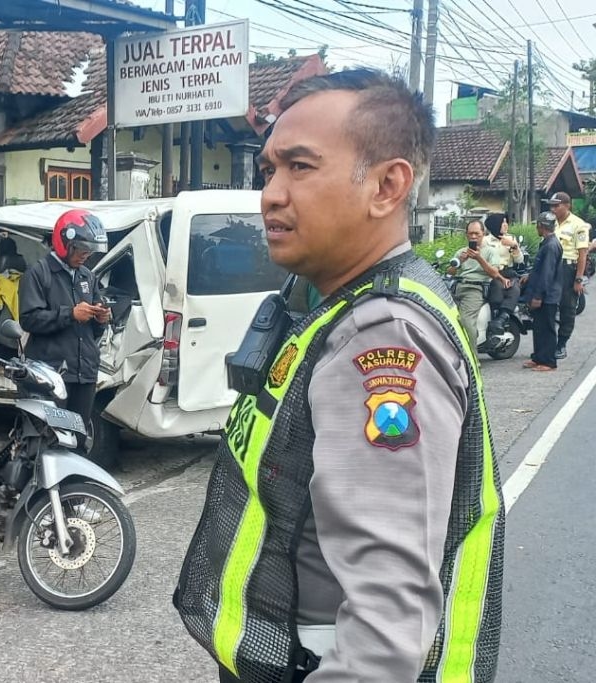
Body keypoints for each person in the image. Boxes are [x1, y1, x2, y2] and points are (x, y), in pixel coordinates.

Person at [174, 69, 503, 683]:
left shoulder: (383, 338)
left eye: (300, 167)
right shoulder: (338, 304)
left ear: (386, 186)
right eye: (269, 169)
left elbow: (386, 620)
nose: (270, 194)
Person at [18, 209, 110, 442]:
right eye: (81, 249)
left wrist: (101, 319)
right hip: (54, 376)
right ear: (65, 243)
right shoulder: (38, 273)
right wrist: (70, 314)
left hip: (84, 374)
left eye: (89, 251)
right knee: (54, 440)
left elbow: (93, 330)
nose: (86, 255)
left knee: (77, 441)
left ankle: (74, 480)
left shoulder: (87, 277)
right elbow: (29, 319)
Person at [448, 219, 508, 349]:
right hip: (458, 287)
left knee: (466, 320)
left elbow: (494, 273)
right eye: (470, 234)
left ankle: (473, 358)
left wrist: (479, 258)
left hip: (476, 288)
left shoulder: (491, 252)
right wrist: (460, 260)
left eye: (477, 233)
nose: (473, 237)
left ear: (483, 233)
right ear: (466, 235)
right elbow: (450, 272)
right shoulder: (461, 252)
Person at [543, 191, 589, 359]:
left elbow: (582, 254)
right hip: (550, 267)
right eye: (551, 205)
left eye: (557, 205)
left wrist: (578, 278)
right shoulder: (549, 222)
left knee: (567, 308)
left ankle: (561, 344)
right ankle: (548, 343)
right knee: (546, 306)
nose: (553, 208)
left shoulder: (578, 225)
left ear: (567, 205)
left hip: (567, 269)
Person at [522, 212, 563, 371]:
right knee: (539, 327)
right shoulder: (546, 243)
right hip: (543, 293)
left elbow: (547, 273)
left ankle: (549, 361)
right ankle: (538, 357)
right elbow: (539, 269)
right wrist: (529, 276)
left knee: (547, 328)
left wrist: (538, 296)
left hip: (548, 295)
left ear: (541, 226)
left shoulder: (551, 246)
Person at [482, 212, 523, 340]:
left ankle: (502, 317)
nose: (506, 225)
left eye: (506, 222)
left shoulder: (511, 238)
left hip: (508, 272)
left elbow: (519, 261)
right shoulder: (485, 240)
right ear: (495, 225)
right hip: (493, 272)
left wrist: (514, 246)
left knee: (515, 288)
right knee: (497, 287)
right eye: (503, 222)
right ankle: (494, 316)